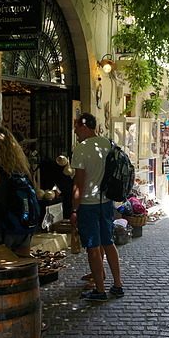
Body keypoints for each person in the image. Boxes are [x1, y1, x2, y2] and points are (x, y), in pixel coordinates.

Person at [71, 112, 124, 301]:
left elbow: (78, 183)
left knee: (93, 246)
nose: (75, 131)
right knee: (108, 243)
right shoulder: (108, 143)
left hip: (88, 203)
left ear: (84, 126)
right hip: (106, 201)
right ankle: (118, 285)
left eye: (77, 127)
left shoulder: (81, 149)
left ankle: (100, 290)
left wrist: (74, 209)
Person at [0, 126, 36, 257]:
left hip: (1, 230)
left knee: (1, 272)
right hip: (24, 228)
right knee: (22, 268)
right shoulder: (24, 170)